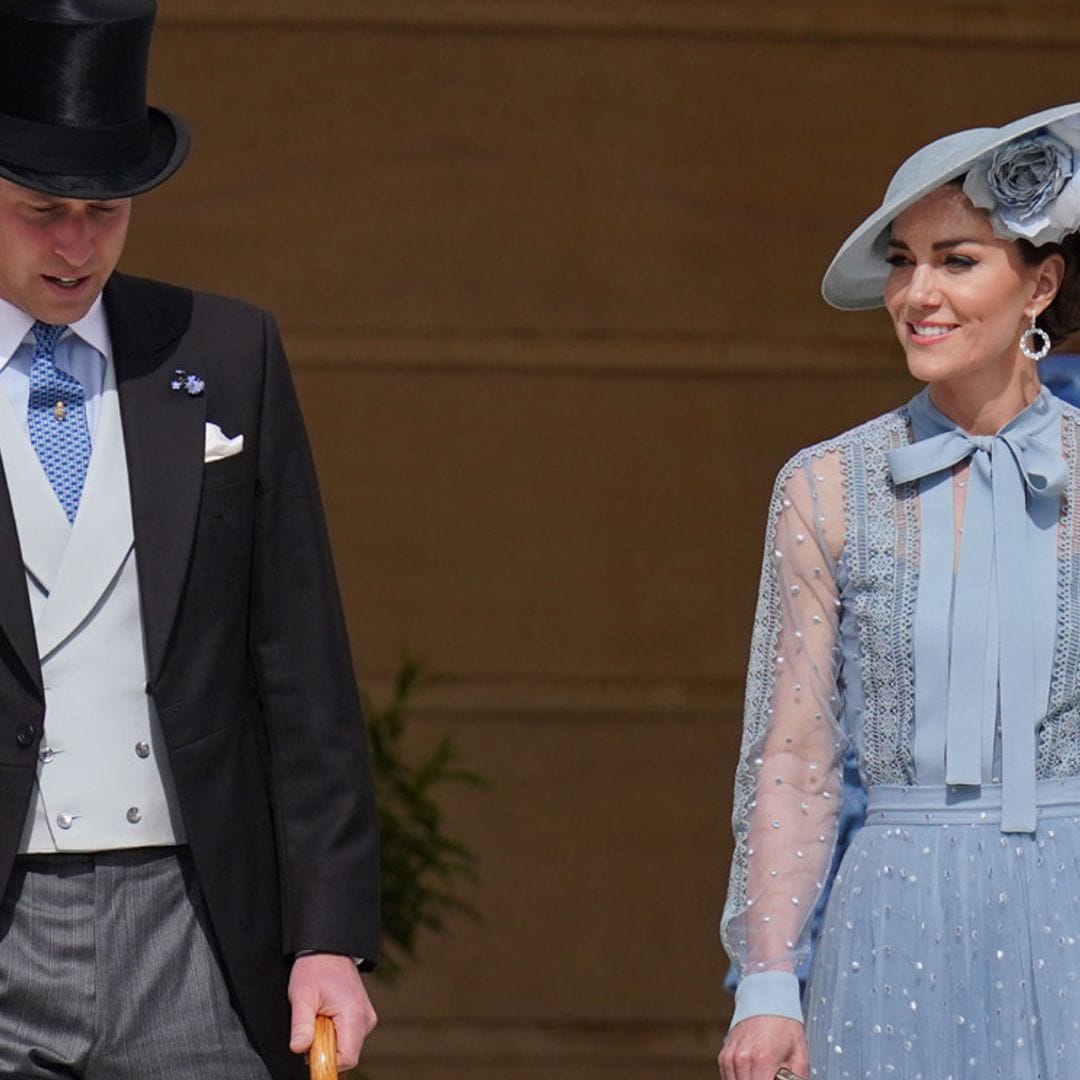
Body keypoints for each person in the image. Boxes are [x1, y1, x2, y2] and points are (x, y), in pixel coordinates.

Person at [0, 2, 379, 1078]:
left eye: (105, 210)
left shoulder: (223, 348)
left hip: (195, 921)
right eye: (41, 211)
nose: (78, 246)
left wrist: (330, 935)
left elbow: (301, 664)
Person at [718, 100, 1080, 1080]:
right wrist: (768, 984)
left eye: (957, 259)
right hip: (890, 919)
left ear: (1038, 284)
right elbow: (793, 757)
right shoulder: (826, 487)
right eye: (904, 261)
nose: (920, 291)